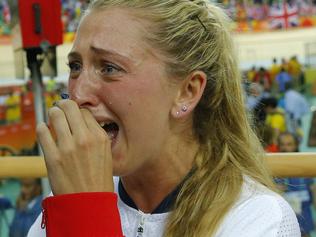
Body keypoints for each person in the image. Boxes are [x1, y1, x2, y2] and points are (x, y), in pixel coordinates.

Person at [28, 1, 299, 236]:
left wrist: (87, 214)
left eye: (109, 67)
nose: (78, 93)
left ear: (186, 92)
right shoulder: (64, 201)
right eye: (75, 66)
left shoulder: (257, 217)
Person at [276, 132, 315, 237]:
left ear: (296, 146)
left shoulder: (305, 165)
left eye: (289, 144)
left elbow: (313, 190)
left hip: (304, 217)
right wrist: (273, 189)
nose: (285, 148)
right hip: (282, 220)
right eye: (282, 144)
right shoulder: (273, 167)